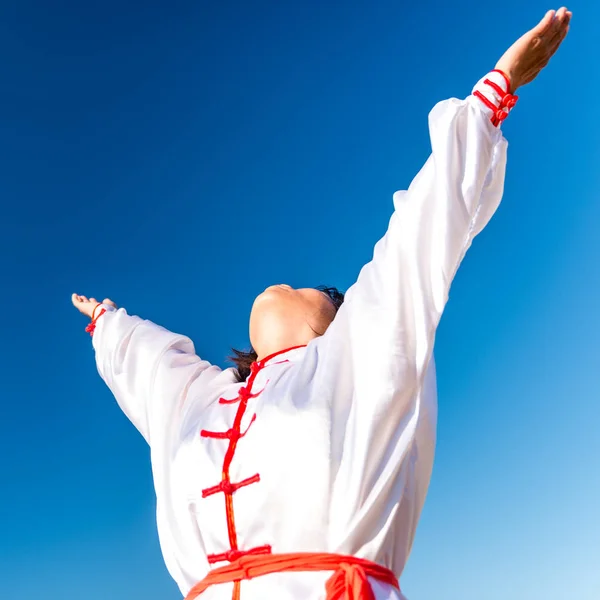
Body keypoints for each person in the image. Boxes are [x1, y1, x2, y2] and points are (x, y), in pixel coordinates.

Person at [72, 8, 571, 600]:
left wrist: (496, 90)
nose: (282, 284)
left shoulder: (353, 362)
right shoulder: (202, 403)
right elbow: (154, 371)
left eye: (311, 290)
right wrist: (111, 326)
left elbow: (418, 234)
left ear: (332, 324)